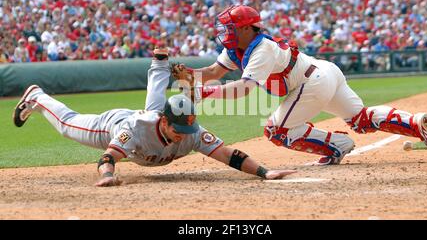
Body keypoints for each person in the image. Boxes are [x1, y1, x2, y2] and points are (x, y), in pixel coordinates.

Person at [172, 5, 427, 166]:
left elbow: (244, 89)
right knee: (360, 119)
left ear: (246, 29)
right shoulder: (238, 47)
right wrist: (190, 75)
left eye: (230, 27)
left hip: (310, 82)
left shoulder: (260, 49)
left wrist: (203, 92)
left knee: (275, 131)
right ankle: (415, 122)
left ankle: (337, 145)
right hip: (322, 73)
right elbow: (214, 71)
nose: (225, 32)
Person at [13, 48, 296, 187]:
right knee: (66, 124)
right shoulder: (137, 128)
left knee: (153, 104)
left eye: (187, 130)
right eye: (177, 129)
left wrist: (264, 172)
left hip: (151, 119)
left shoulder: (189, 130)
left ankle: (159, 64)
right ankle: (37, 96)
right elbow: (108, 157)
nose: (183, 135)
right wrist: (108, 175)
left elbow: (227, 154)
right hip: (110, 126)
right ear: (165, 121)